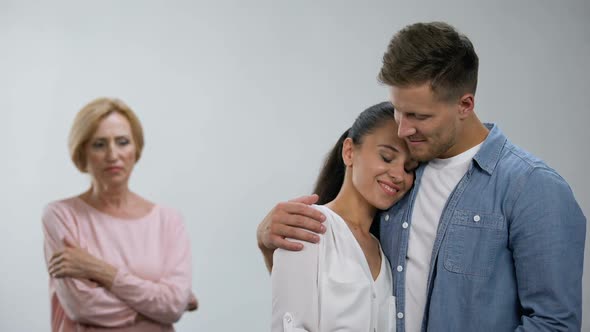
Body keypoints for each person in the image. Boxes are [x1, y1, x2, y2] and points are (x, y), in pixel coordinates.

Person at [257, 22, 586, 331]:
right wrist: (268, 243)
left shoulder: (532, 187)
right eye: (399, 110)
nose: (403, 128)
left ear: (465, 104)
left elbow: (553, 323)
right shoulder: (400, 179)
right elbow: (330, 292)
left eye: (419, 116)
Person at [42, 97, 197, 332]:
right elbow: (83, 307)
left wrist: (98, 270)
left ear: (136, 149)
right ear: (82, 151)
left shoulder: (168, 220)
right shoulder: (62, 216)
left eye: (122, 142)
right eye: (99, 144)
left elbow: (173, 305)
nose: (113, 154)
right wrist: (158, 307)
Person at [271, 102, 416, 331]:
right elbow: (290, 325)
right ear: (349, 152)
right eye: (387, 157)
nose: (399, 175)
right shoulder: (309, 226)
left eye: (409, 168)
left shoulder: (385, 253)